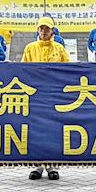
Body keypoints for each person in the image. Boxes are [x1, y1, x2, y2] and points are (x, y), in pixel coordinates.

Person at [22, 16, 70, 181]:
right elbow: (22, 71)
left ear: (52, 31)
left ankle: (52, 166)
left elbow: (68, 70)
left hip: (53, 95)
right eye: (41, 28)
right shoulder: (30, 48)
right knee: (35, 130)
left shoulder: (59, 49)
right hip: (35, 96)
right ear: (37, 30)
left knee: (53, 130)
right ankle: (37, 166)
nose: (44, 31)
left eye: (47, 28)